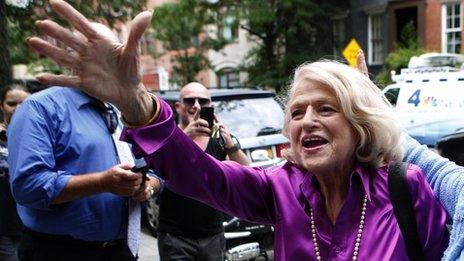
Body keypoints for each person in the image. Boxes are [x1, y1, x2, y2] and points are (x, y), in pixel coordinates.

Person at [25, 1, 464, 260]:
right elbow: (200, 174)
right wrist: (135, 102)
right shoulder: (280, 188)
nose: (307, 120)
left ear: (358, 124)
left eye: (325, 109)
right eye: (296, 112)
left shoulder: (407, 191)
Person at [8, 22, 162, 261]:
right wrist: (103, 182)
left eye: (113, 52)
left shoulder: (124, 111)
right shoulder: (39, 108)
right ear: (72, 54)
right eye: (93, 49)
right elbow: (28, 186)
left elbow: (159, 167)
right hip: (58, 251)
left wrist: (148, 185)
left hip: (120, 249)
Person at [157, 82, 248, 261]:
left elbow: (247, 174)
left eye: (203, 102)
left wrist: (231, 146)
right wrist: (184, 137)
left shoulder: (220, 140)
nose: (197, 106)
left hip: (212, 234)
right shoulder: (168, 136)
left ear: (211, 106)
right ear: (178, 106)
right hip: (175, 236)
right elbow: (158, 170)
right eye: (190, 101)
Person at [0, 83, 30, 261]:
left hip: (35, 224)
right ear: (1, 105)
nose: (18, 108)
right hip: (5, 225)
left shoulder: (41, 136)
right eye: (11, 103)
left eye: (23, 103)